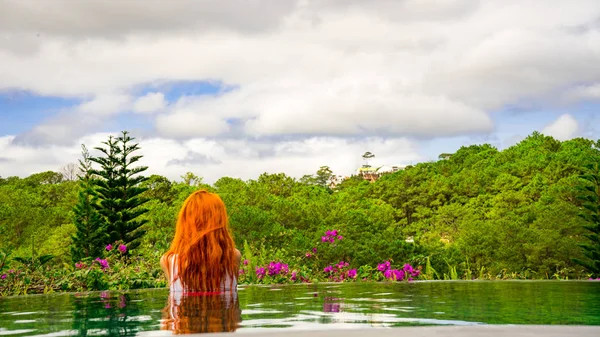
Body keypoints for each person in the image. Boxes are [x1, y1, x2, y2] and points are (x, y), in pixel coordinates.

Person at [160, 190, 241, 293]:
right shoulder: (233, 256)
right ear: (220, 221)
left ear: (185, 222)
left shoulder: (169, 261)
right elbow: (233, 307)